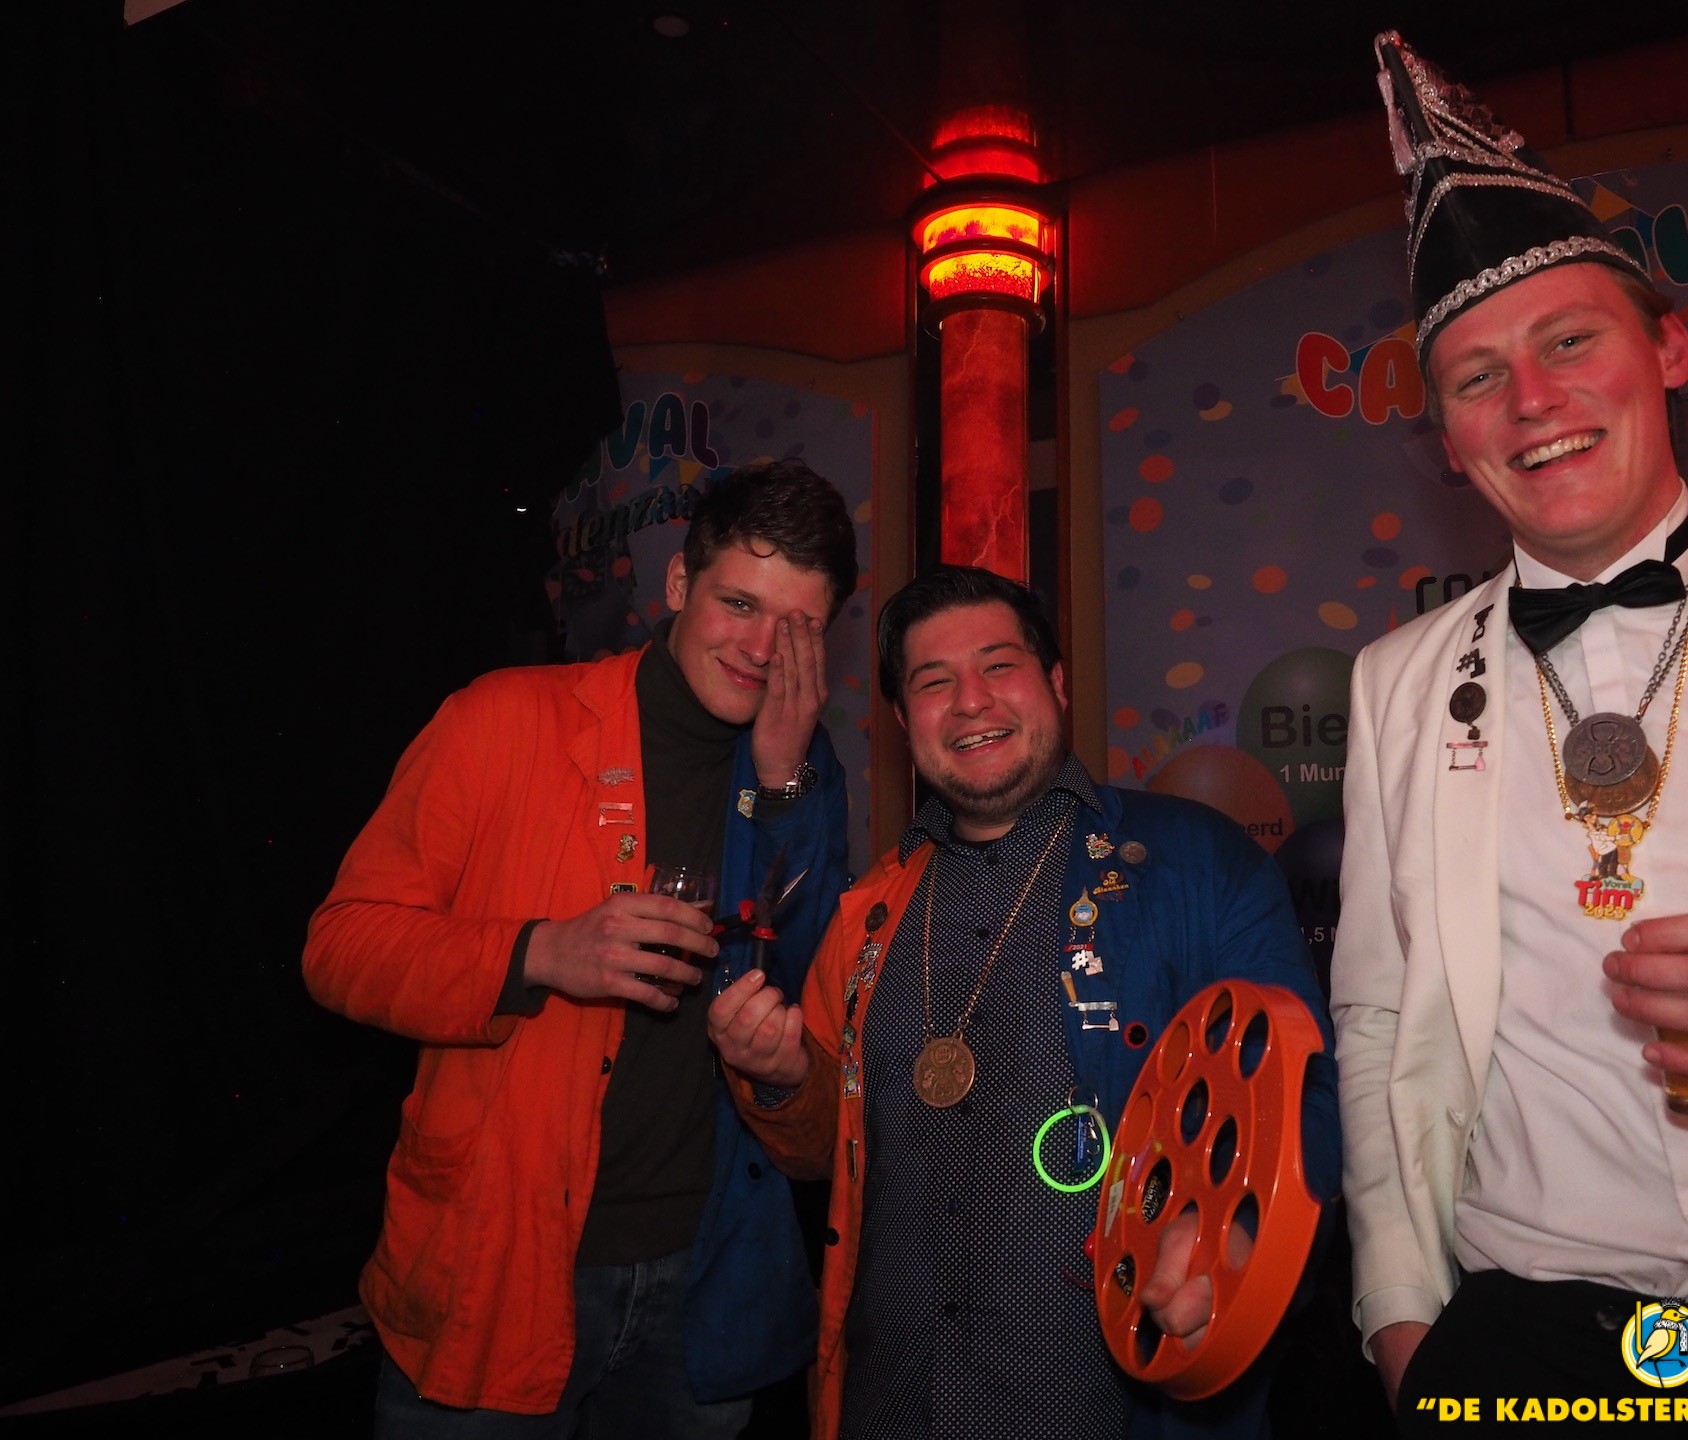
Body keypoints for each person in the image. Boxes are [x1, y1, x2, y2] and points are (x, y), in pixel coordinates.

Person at [1334, 32, 1688, 1425]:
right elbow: (1376, 1018)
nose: (1531, 401)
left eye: (1568, 340)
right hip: (1526, 1331)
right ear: (1448, 437)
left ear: (1667, 345)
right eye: (1476, 377)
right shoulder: (1396, 683)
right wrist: (1404, 1324)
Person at [709, 566, 1340, 1440]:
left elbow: (1298, 1095)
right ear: (903, 721)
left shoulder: (1199, 863)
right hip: (887, 1409)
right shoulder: (869, 915)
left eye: (999, 666)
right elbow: (828, 1156)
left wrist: (1232, 1243)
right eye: (934, 682)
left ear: (1057, 683)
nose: (971, 701)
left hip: (1111, 1411)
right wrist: (780, 1081)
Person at [304, 460, 859, 1437]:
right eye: (739, 603)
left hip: (705, 1280)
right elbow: (340, 947)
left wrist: (782, 787)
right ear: (679, 583)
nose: (761, 649)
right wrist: (538, 954)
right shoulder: (500, 719)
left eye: (799, 626)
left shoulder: (802, 774)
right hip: (501, 1260)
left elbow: (818, 1005)